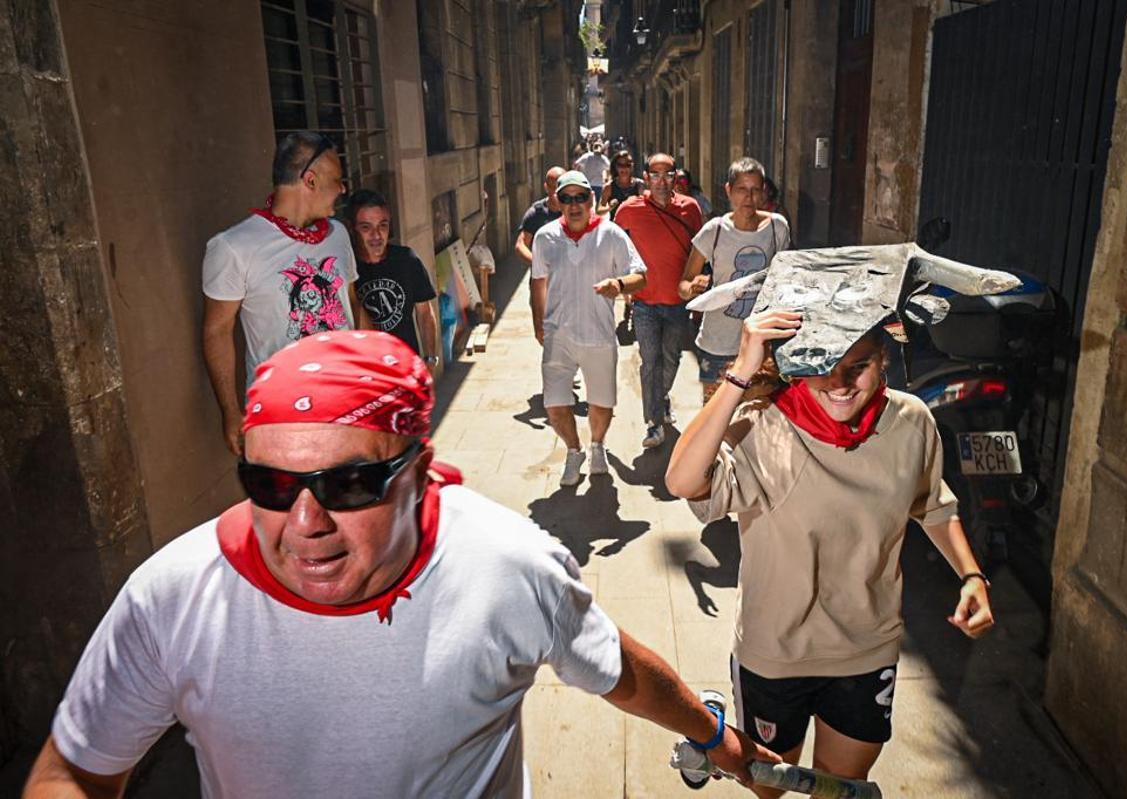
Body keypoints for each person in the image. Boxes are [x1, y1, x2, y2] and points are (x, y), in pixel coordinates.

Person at [24, 331, 778, 799]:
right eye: (271, 485)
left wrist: (721, 741)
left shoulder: (507, 567)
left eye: (348, 484)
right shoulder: (173, 596)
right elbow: (75, 770)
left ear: (420, 472)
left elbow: (619, 668)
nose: (306, 523)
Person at [664, 313, 995, 799]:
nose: (838, 383)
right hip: (775, 652)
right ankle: (715, 730)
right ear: (797, 365)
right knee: (770, 786)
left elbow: (934, 505)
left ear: (884, 359)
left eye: (857, 365)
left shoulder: (910, 422)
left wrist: (971, 576)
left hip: (867, 649)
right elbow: (682, 482)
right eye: (820, 365)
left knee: (841, 790)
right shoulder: (763, 425)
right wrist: (740, 371)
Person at [202, 131, 361, 457]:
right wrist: (231, 413)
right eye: (338, 180)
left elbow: (352, 306)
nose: (343, 189)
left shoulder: (338, 235)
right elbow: (217, 330)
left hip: (346, 407)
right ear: (311, 181)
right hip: (282, 419)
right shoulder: (234, 247)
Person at [531, 171, 647, 486]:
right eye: (566, 198)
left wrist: (619, 284)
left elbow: (641, 276)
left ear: (592, 199)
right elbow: (537, 280)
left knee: (602, 402)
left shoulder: (611, 235)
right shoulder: (545, 237)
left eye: (580, 197)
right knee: (554, 407)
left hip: (598, 334)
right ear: (557, 202)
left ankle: (597, 446)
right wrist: (538, 321)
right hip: (559, 335)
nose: (574, 204)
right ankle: (573, 450)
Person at [678, 158, 791, 402]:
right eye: (741, 189)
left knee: (757, 417)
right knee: (714, 419)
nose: (748, 198)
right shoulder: (714, 231)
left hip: (761, 344)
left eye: (755, 190)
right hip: (717, 345)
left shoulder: (777, 228)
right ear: (729, 190)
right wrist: (693, 289)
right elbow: (683, 285)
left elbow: (784, 279)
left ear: (763, 192)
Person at [613, 153, 703, 448]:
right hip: (644, 304)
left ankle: (660, 398)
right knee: (650, 362)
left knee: (672, 358)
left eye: (668, 174)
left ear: (676, 176)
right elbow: (615, 249)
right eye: (656, 174)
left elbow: (699, 254)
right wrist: (621, 283)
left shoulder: (690, 209)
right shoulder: (629, 210)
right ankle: (653, 422)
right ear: (646, 177)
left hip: (678, 302)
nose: (662, 181)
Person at [345, 190, 439, 369]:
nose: (377, 235)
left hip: (406, 369)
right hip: (366, 373)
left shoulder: (406, 260)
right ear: (352, 229)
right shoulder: (346, 269)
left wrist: (430, 359)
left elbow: (425, 313)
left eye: (383, 225)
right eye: (366, 227)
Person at [514, 166, 565, 266]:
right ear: (546, 187)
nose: (558, 193)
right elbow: (521, 245)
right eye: (554, 187)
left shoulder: (574, 209)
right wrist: (539, 264)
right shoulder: (536, 213)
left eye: (562, 188)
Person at [596, 149, 644, 219]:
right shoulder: (609, 187)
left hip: (635, 228)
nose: (624, 169)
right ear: (616, 167)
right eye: (620, 165)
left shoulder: (640, 185)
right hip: (616, 228)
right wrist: (609, 207)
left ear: (632, 167)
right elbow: (598, 211)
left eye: (628, 165)